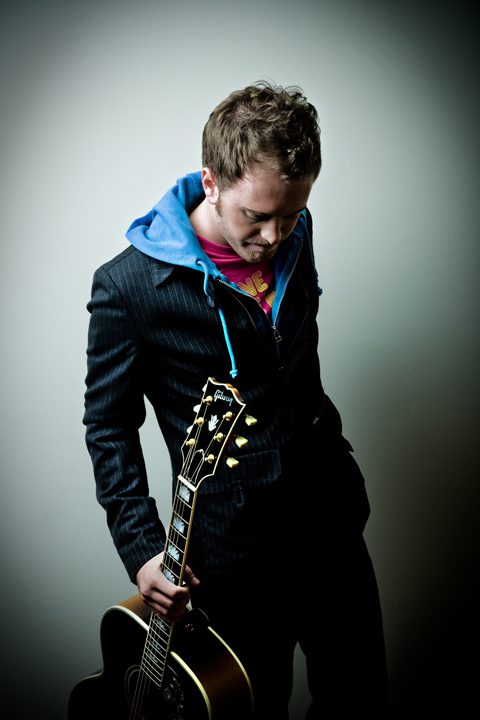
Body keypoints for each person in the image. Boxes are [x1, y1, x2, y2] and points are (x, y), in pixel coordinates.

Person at [84, 80, 388, 718]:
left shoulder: (292, 230)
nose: (275, 235)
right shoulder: (127, 286)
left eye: (293, 213)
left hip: (330, 524)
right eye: (257, 216)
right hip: (230, 557)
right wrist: (142, 549)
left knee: (360, 699)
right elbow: (108, 427)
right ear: (212, 181)